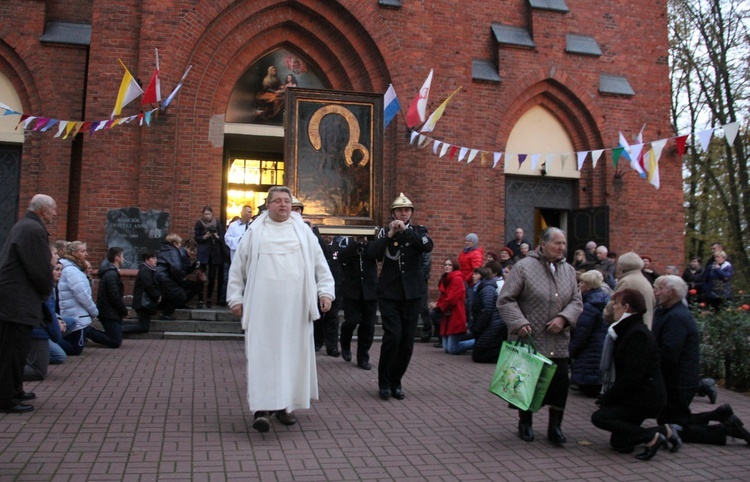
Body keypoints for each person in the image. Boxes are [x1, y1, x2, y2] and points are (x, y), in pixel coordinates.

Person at [226, 186, 335, 433]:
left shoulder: (304, 233)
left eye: (287, 201)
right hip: (262, 307)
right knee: (263, 357)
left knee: (291, 357)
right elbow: (238, 267)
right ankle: (261, 409)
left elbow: (320, 264)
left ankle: (285, 406)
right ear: (268, 205)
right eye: (277, 201)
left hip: (295, 309)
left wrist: (325, 292)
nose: (283, 205)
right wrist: (235, 298)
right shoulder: (254, 232)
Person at [497, 227, 583, 444]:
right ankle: (525, 423)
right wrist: (519, 322)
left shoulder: (569, 271)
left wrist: (564, 318)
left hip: (558, 340)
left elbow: (576, 300)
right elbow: (506, 299)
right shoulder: (524, 267)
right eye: (557, 243)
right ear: (543, 244)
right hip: (530, 337)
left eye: (564, 243)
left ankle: (555, 427)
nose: (562, 247)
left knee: (559, 384)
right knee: (526, 383)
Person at [652, 275, 750, 446]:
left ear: (672, 293)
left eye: (659, 288)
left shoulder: (676, 317)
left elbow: (669, 352)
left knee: (671, 425)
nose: (655, 292)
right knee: (673, 419)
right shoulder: (666, 312)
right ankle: (719, 415)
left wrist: (654, 373)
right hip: (678, 378)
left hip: (678, 380)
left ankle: (726, 429)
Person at [591, 289, 677, 460]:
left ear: (626, 308)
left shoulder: (637, 334)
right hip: (637, 394)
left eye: (617, 304)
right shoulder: (627, 330)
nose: (613, 307)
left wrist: (608, 399)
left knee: (600, 418)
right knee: (620, 443)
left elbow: (632, 376)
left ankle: (651, 438)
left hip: (645, 397)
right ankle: (662, 431)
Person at [368, 193, 433, 401]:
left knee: (406, 342)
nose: (403, 214)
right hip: (389, 294)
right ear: (393, 213)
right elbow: (373, 253)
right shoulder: (382, 232)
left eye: (407, 211)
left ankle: (396, 381)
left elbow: (426, 246)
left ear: (411, 213)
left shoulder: (418, 231)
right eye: (399, 210)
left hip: (412, 294)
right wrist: (389, 235)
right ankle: (384, 382)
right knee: (392, 337)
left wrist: (405, 231)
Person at [0, 194, 56, 413]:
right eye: (53, 209)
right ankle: (7, 398)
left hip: (13, 301)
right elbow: (40, 269)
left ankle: (14, 390)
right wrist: (46, 291)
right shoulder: (33, 230)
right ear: (42, 209)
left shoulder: (25, 226)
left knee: (16, 350)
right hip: (17, 302)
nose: (55, 213)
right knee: (12, 352)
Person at [24, 248, 65, 381]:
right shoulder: (43, 277)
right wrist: (56, 333)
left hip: (35, 327)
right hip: (37, 329)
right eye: (54, 254)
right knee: (38, 370)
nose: (57, 256)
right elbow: (48, 310)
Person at [338, 236, 378, 370]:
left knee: (368, 326)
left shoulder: (373, 243)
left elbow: (377, 254)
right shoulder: (348, 242)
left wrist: (367, 242)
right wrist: (355, 243)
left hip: (370, 291)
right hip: (352, 291)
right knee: (351, 321)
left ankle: (363, 358)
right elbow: (341, 257)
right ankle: (345, 343)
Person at [569, 270, 610, 397]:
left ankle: (589, 386)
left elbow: (581, 332)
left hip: (591, 345)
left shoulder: (589, 305)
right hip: (600, 343)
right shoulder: (604, 299)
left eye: (581, 282)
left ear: (588, 285)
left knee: (590, 371)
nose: (578, 285)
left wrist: (571, 352)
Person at [58, 241, 98, 356]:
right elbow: (82, 295)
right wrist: (94, 311)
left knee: (73, 345)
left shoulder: (73, 269)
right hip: (76, 315)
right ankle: (47, 342)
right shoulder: (72, 270)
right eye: (83, 251)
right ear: (74, 253)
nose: (86, 254)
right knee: (76, 349)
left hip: (74, 313)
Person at [86, 247, 129, 348]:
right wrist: (124, 311)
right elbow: (115, 296)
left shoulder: (111, 273)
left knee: (115, 338)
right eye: (122, 256)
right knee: (115, 341)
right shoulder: (111, 275)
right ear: (117, 258)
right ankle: (86, 331)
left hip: (110, 311)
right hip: (109, 312)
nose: (124, 259)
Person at [603, 252, 656, 330]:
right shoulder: (643, 279)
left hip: (630, 330)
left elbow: (612, 309)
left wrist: (606, 313)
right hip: (643, 327)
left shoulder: (628, 281)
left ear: (622, 266)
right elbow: (653, 302)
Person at [156, 233, 201, 320]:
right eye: (179, 243)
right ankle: (166, 314)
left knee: (167, 295)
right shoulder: (173, 251)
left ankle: (160, 308)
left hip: (161, 275)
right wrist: (181, 277)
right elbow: (176, 267)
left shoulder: (164, 250)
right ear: (174, 243)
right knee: (180, 295)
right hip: (166, 277)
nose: (181, 245)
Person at [428, 259, 469, 355]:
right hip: (447, 313)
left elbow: (452, 298)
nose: (447, 266)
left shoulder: (457, 279)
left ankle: (477, 342)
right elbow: (444, 297)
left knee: (452, 349)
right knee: (447, 349)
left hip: (455, 312)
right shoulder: (446, 279)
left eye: (449, 265)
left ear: (454, 266)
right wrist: (437, 305)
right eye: (445, 264)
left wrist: (438, 307)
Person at [469, 263, 507, 363]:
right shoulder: (482, 288)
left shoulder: (487, 289)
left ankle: (507, 355)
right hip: (490, 325)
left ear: (482, 276)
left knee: (478, 355)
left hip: (492, 326)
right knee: (478, 353)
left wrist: (478, 327)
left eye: (476, 274)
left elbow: (487, 310)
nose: (473, 276)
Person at [194, 206, 226, 308]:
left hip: (214, 253)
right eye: (205, 214)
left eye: (209, 214)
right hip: (203, 253)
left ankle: (208, 299)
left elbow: (222, 237)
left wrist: (216, 236)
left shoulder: (217, 224)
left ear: (212, 214)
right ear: (203, 215)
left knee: (212, 277)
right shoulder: (199, 223)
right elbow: (197, 238)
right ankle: (200, 299)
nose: (207, 216)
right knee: (200, 276)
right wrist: (205, 236)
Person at [128, 251, 161, 333]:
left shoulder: (147, 270)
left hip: (143, 302)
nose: (155, 260)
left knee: (143, 325)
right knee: (143, 327)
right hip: (143, 302)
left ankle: (119, 327)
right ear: (147, 260)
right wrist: (157, 296)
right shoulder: (146, 270)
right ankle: (119, 329)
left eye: (156, 258)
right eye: (153, 258)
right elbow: (149, 286)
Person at [458, 233, 483, 323]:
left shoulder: (476, 254)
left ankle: (471, 323)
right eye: (466, 240)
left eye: (470, 241)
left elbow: (475, 269)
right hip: (463, 281)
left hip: (470, 283)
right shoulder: (464, 252)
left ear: (474, 242)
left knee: (470, 304)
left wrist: (465, 280)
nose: (467, 242)